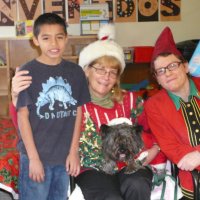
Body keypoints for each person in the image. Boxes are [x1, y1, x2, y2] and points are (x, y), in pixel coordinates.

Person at [12, 24, 167, 200]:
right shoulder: (72, 102)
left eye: (112, 72)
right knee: (110, 197)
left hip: (131, 163)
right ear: (86, 71)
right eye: (100, 69)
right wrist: (16, 98)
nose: (106, 76)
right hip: (92, 168)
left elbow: (153, 129)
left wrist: (154, 148)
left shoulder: (131, 100)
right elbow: (29, 123)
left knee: (137, 184)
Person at [15, 13, 90, 200]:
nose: (54, 44)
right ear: (36, 41)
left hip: (64, 157)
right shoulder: (26, 71)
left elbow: (78, 111)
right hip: (36, 156)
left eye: (59, 37)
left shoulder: (76, 72)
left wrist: (73, 152)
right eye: (46, 38)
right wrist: (33, 158)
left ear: (66, 38)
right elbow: (22, 116)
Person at [144, 26, 200, 199]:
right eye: (160, 71)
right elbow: (172, 148)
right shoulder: (154, 105)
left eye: (172, 66)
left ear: (185, 66)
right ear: (157, 79)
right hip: (193, 181)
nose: (167, 73)